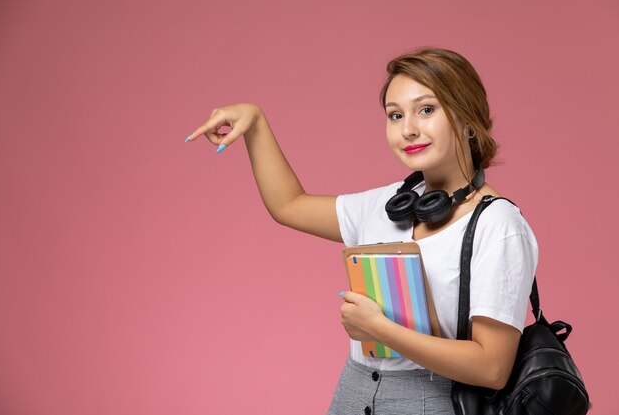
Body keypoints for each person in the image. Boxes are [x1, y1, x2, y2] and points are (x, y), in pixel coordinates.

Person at [185, 47, 538, 415]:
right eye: (395, 115)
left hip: (434, 403)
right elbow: (288, 204)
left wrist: (378, 328)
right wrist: (256, 123)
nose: (408, 129)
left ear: (467, 119)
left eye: (427, 109)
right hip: (352, 396)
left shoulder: (498, 226)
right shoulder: (389, 204)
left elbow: (492, 368)